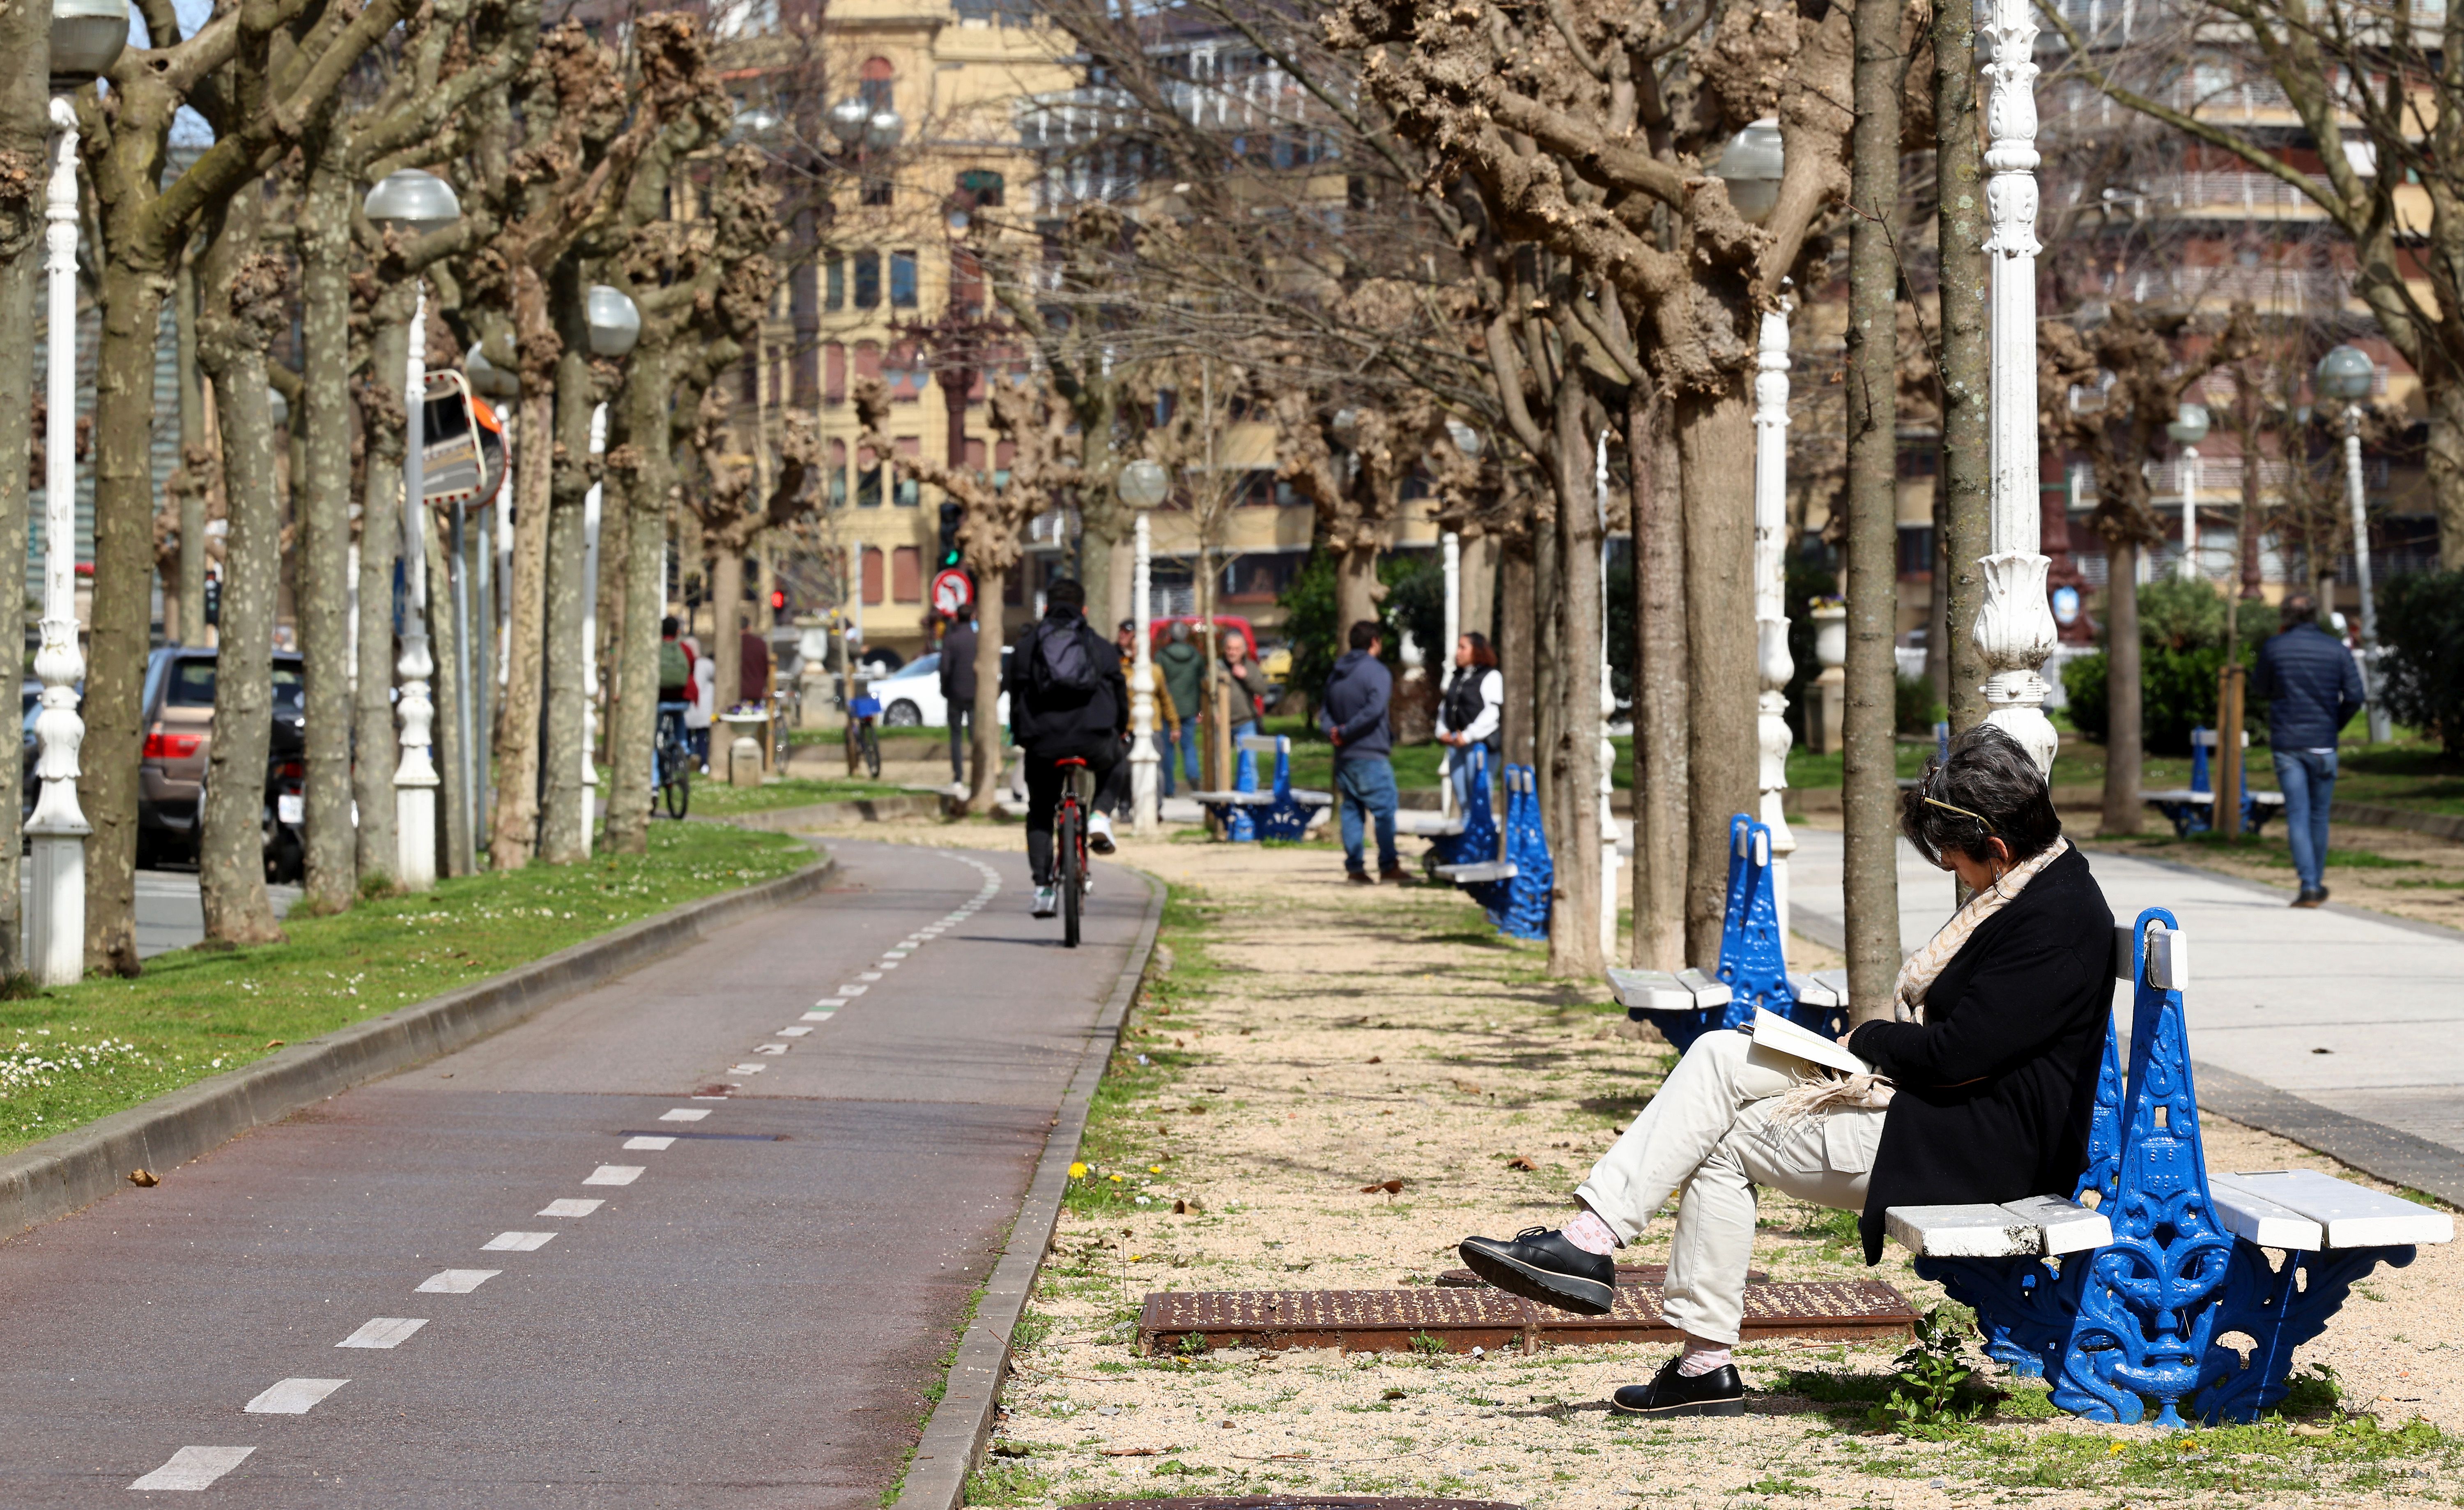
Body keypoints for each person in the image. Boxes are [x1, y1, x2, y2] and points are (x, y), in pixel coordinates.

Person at [1457, 725, 2114, 1418]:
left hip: (1973, 1149)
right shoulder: (2035, 891)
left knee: (1724, 1142)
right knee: (1716, 1054)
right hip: (1938, 1113)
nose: (1954, 871)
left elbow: (1957, 1055)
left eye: (1953, 857)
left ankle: (1693, 1353)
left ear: (2001, 849)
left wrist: (1872, 1038)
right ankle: (1591, 1242)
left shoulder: (2054, 924)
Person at [1003, 577, 1127, 918]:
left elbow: (1013, 695)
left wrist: (1022, 736)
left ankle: (1043, 888)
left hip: (1043, 744)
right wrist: (1120, 731)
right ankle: (1101, 816)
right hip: (1093, 739)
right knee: (1117, 762)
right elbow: (1120, 694)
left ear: (1046, 608)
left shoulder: (1026, 648)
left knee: (1041, 811)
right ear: (1084, 609)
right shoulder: (1100, 647)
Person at [2253, 593, 2364, 908]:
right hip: (2324, 744)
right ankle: (2316, 882)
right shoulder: (2336, 649)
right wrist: (2335, 725)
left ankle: (2310, 886)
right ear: (2317, 615)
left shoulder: (2276, 647)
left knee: (2298, 816)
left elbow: (2260, 688)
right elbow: (2356, 695)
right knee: (2319, 816)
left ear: (2285, 616)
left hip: (2288, 743)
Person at [1320, 621, 1402, 883]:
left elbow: (1325, 711)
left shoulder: (1336, 672)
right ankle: (1389, 865)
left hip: (1344, 757)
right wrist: (1346, 731)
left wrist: (1333, 731)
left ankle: (1355, 869)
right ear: (1375, 642)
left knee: (1352, 811)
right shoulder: (1377, 672)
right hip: (1370, 752)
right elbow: (1375, 708)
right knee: (1385, 810)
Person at [1435, 631, 1503, 810]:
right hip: (1456, 745)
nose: (1458, 652)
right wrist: (1442, 731)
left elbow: (1492, 713)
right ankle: (1468, 837)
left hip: (1480, 745)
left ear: (1477, 650)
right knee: (1464, 802)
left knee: (1479, 800)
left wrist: (1468, 735)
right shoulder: (1457, 677)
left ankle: (1483, 837)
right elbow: (1446, 707)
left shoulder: (1491, 676)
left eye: (1463, 647)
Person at [1157, 621, 1204, 795]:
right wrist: (1200, 709)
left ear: (1170, 636)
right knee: (1189, 746)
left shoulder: (1162, 656)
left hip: (1167, 710)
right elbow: (1202, 682)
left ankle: (1169, 789)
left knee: (1167, 750)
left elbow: (1158, 681)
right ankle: (1193, 777)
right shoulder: (1196, 656)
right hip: (1189, 708)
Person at [940, 612, 979, 787]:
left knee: (956, 737)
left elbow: (945, 669)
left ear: (957, 619)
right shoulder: (978, 639)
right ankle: (979, 775)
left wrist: (945, 689)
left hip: (955, 694)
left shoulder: (951, 640)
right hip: (974, 694)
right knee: (975, 736)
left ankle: (958, 778)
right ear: (972, 617)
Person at [1221, 632, 1264, 743]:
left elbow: (1263, 690)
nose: (1232, 653)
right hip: (1222, 723)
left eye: (1237, 649)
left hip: (1246, 722)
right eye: (1229, 649)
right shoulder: (1218, 668)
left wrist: (1246, 676)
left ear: (1244, 650)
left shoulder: (1250, 667)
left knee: (1249, 761)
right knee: (1220, 761)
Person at [685, 635, 716, 771]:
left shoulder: (683, 664)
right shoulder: (707, 664)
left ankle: (685, 762)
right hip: (703, 709)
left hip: (687, 709)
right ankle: (704, 763)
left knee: (685, 736)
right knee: (702, 737)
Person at [739, 625, 772, 705]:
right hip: (756, 690)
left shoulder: (734, 645)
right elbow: (766, 668)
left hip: (739, 690)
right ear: (749, 628)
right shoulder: (759, 644)